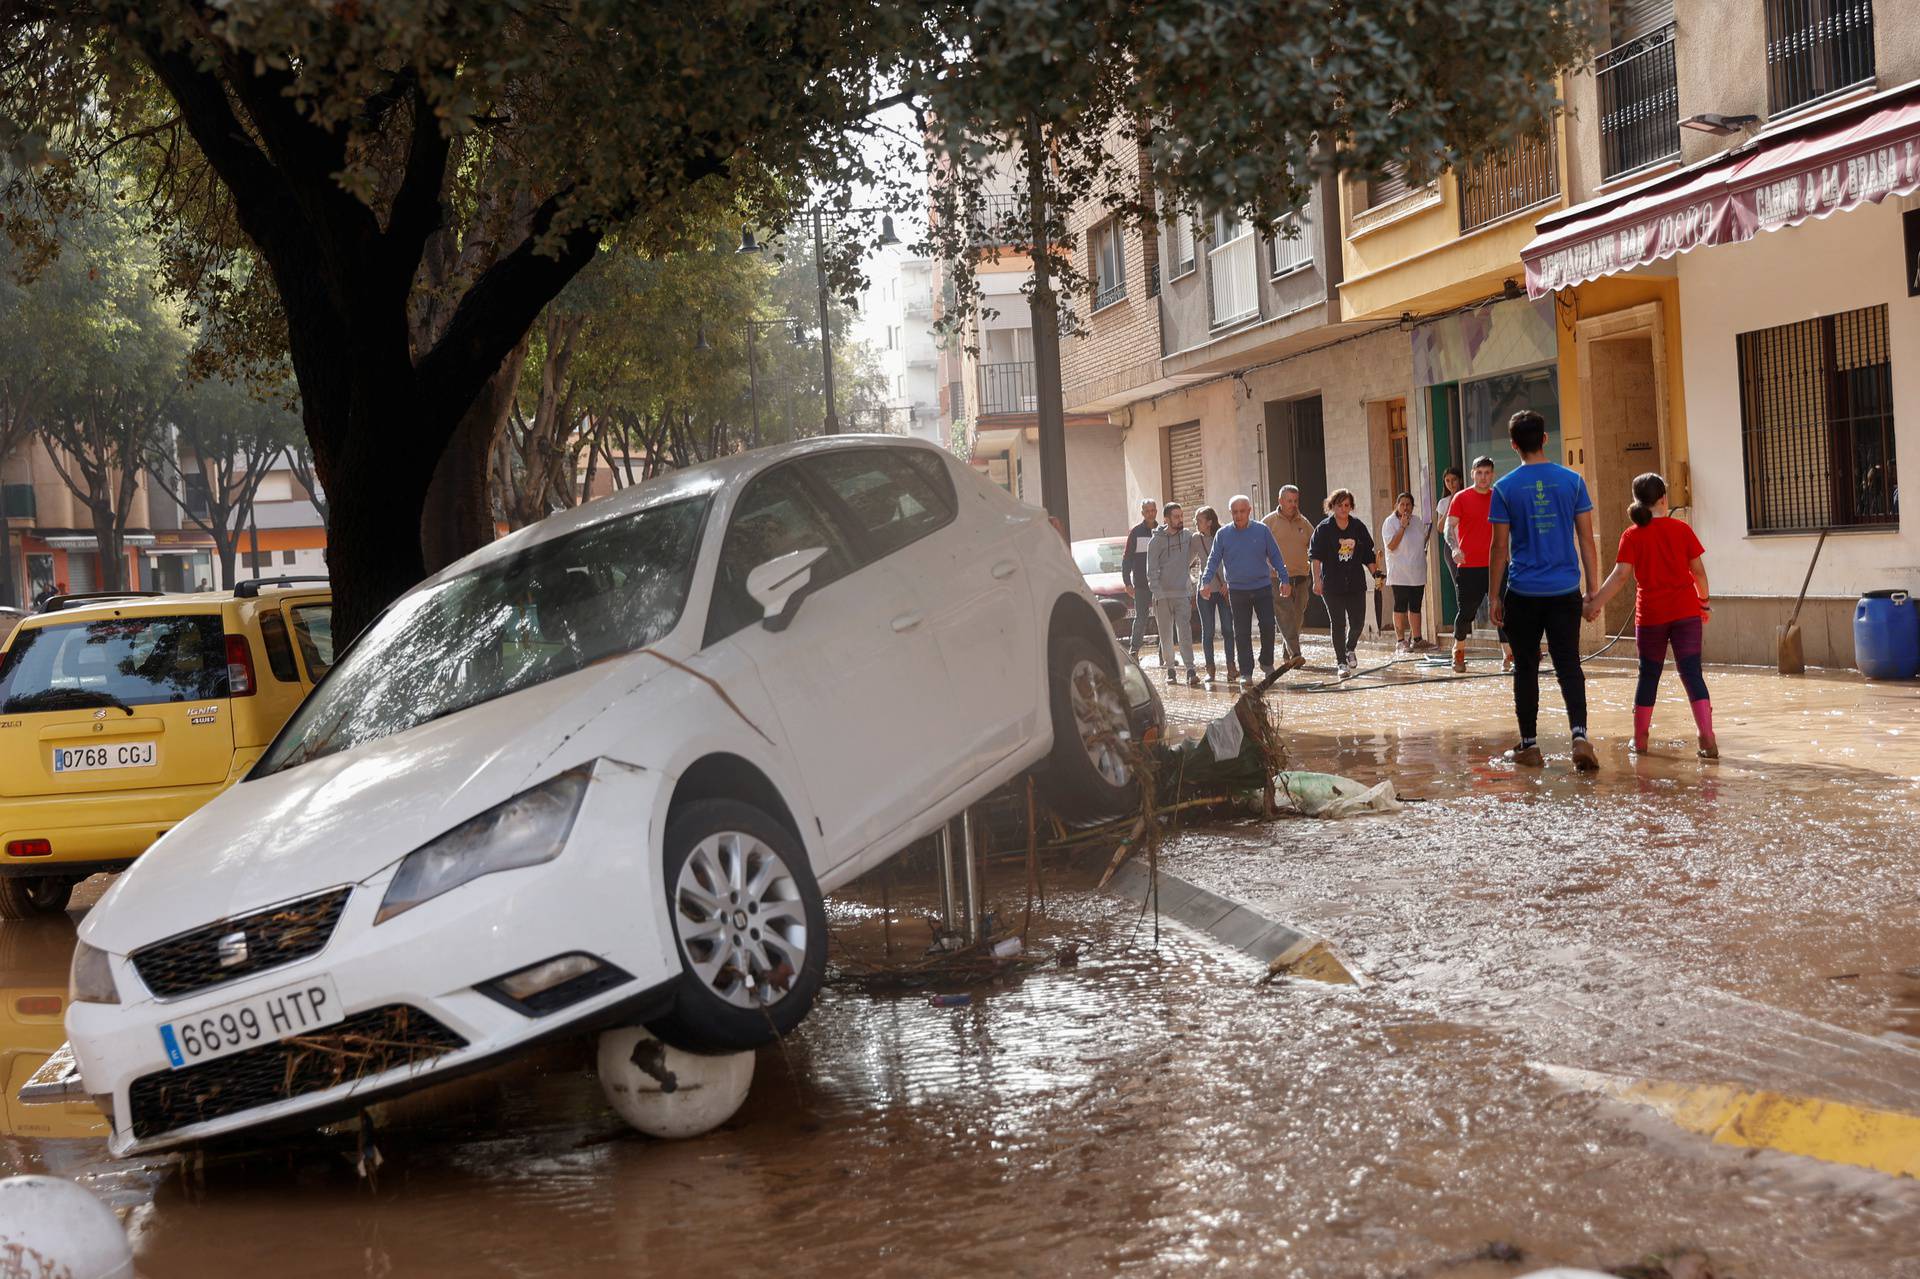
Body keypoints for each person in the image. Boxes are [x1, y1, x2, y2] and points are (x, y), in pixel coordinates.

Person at [1489, 409, 1600, 773]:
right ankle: (1580, 736)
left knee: (1526, 668)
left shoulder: (1504, 488)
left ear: (1514, 444)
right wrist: (1593, 591)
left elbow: (1499, 548)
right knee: (1569, 663)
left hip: (1523, 592)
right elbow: (1586, 539)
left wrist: (1493, 596)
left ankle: (1530, 745)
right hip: (1565, 590)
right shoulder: (1572, 481)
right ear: (1546, 439)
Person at [1584, 473, 1716, 759]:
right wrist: (1703, 603)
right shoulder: (1682, 530)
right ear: (1664, 499)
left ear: (1637, 501)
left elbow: (1620, 577)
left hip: (1651, 616)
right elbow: (1699, 572)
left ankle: (1640, 741)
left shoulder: (1631, 535)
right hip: (1685, 613)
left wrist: (1594, 605)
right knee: (1692, 673)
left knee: (1648, 676)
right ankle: (1707, 738)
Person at [1201, 495, 1290, 682]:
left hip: (1262, 587)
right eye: (1235, 512)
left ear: (1249, 511)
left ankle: (1266, 663)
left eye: (1242, 511)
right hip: (1237, 591)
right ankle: (1246, 673)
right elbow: (1213, 560)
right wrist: (1205, 582)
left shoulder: (1262, 530)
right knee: (1241, 632)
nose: (1238, 515)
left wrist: (1284, 579)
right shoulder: (1223, 534)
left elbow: (1275, 555)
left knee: (1267, 625)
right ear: (1231, 513)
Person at [1444, 456, 1513, 673]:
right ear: (1473, 473)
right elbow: (1448, 527)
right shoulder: (1461, 498)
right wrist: (1455, 548)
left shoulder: (1499, 497)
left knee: (1501, 611)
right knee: (1466, 613)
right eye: (1479, 472)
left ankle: (1508, 656)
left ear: (1492, 475)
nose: (1483, 477)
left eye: (1487, 473)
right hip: (1469, 566)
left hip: (1498, 566)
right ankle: (1459, 651)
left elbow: (1512, 527)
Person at [1308, 489, 1380, 677]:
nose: (1343, 509)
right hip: (1332, 584)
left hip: (1355, 582)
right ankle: (1341, 662)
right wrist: (1316, 581)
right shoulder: (1323, 529)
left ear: (1351, 506)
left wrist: (1376, 574)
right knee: (1338, 623)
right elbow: (1315, 558)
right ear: (1332, 506)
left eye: (1347, 505)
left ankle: (1350, 648)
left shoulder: (1358, 527)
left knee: (1357, 623)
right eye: (1339, 505)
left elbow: (1368, 554)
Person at [1145, 502, 1202, 686]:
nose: (1180, 519)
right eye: (1176, 517)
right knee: (1166, 634)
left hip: (1182, 594)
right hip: (1162, 597)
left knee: (1184, 632)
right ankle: (1170, 669)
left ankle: (1190, 669)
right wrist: (1158, 593)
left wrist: (1185, 579)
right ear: (1166, 519)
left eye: (1181, 516)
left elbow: (1192, 556)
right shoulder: (1156, 541)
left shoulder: (1187, 537)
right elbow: (1151, 570)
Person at [1262, 486, 1314, 672]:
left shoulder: (1304, 522)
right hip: (1277, 579)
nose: (1293, 505)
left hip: (1301, 577)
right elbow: (1259, 549)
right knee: (1284, 616)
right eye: (1289, 501)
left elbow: (1314, 545)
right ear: (1280, 501)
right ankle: (1296, 654)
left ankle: (1288, 653)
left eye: (1295, 501)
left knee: (1297, 617)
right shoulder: (1268, 522)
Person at [1192, 505, 1238, 685]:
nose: (1196, 524)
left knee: (1228, 630)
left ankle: (1231, 668)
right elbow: (1186, 562)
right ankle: (1210, 669)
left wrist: (1228, 582)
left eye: (1199, 521)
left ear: (1209, 522)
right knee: (1208, 631)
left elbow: (1233, 561)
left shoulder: (1225, 534)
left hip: (1223, 590)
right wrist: (1195, 582)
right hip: (1205, 592)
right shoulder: (1195, 539)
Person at [1381, 491, 1430, 651]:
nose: (1405, 507)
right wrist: (1402, 526)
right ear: (1397, 505)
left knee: (1416, 605)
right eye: (1402, 504)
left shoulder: (1417, 521)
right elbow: (1392, 545)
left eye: (1408, 504)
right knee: (1400, 605)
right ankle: (1401, 641)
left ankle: (1417, 638)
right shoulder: (1389, 522)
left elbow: (1422, 542)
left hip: (1417, 570)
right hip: (1399, 572)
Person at [1120, 499, 1158, 659]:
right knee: (1141, 618)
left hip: (1159, 584)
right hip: (1141, 584)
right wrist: (1127, 582)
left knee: (1163, 620)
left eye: (1152, 510)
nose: (1150, 513)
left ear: (1156, 511)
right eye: (1147, 511)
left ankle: (1166, 655)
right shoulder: (1135, 532)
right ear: (1142, 513)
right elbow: (1127, 558)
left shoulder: (1162, 531)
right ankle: (1134, 652)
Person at [1435, 466, 1464, 613]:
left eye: (1453, 480)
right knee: (1458, 581)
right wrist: (1451, 503)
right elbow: (1440, 528)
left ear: (1460, 480)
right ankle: (1464, 616)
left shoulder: (1467, 496)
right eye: (1447, 481)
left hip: (1468, 543)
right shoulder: (1443, 502)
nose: (1451, 484)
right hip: (1452, 546)